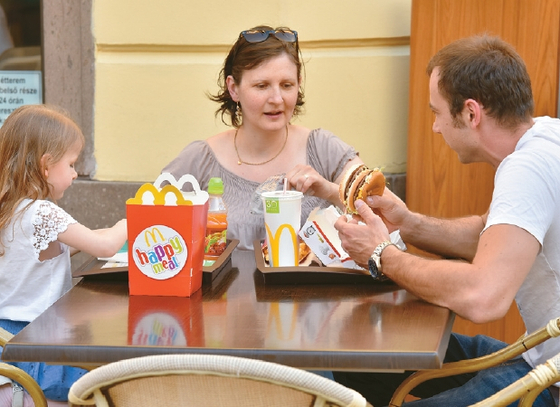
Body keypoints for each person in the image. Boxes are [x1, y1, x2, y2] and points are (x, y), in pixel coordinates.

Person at [333, 34, 560, 407]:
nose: (435, 128)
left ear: (471, 113)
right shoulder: (545, 136)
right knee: (364, 362)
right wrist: (406, 223)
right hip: (540, 357)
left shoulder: (526, 169)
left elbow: (483, 296)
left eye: (437, 113)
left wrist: (381, 254)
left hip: (549, 384)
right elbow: (489, 239)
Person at [162, 25, 363, 251]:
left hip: (315, 287)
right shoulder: (201, 159)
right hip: (225, 287)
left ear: (299, 83)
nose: (277, 98)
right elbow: (149, 216)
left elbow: (381, 213)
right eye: (262, 86)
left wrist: (327, 190)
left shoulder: (323, 149)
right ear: (233, 88)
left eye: (286, 85)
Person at [0, 104, 128, 406]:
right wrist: (131, 220)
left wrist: (98, 234)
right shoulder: (41, 211)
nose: (74, 173)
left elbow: (46, 253)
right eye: (71, 164)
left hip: (9, 336)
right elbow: (106, 247)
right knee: (101, 387)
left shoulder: (12, 209)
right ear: (46, 165)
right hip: (39, 341)